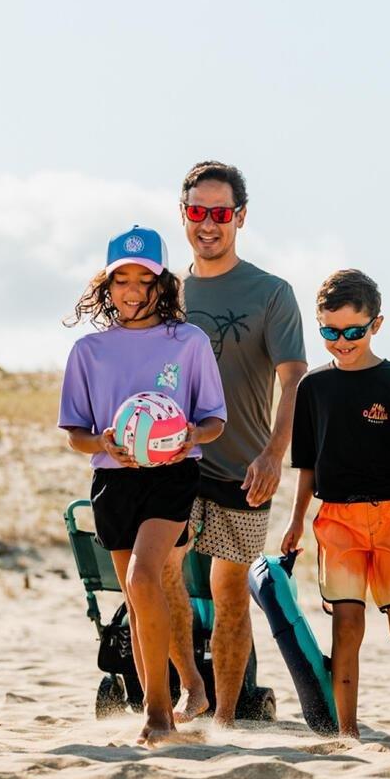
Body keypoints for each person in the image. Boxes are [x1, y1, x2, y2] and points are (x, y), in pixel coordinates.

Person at [59, 226, 226, 746]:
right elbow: (76, 436)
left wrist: (189, 437)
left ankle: (158, 713)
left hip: (173, 476)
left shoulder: (189, 341)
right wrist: (105, 443)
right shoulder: (89, 351)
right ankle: (178, 691)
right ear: (106, 287)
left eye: (144, 279)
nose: (132, 290)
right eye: (121, 280)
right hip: (113, 482)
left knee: (143, 575)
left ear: (163, 284)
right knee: (137, 598)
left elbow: (215, 421)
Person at [163, 161, 307, 727]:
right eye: (197, 212)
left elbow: (294, 377)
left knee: (228, 588)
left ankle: (224, 717)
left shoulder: (271, 292)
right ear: (183, 214)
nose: (208, 224)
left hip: (245, 468)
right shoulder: (164, 292)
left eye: (220, 214)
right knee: (161, 572)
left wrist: (275, 453)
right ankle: (191, 689)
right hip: (173, 460)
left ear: (240, 217)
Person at [281, 269, 390, 739]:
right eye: (330, 331)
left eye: (354, 331)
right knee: (346, 627)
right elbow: (306, 464)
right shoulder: (312, 387)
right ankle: (347, 732)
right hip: (336, 520)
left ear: (377, 324)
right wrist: (295, 521)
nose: (342, 341)